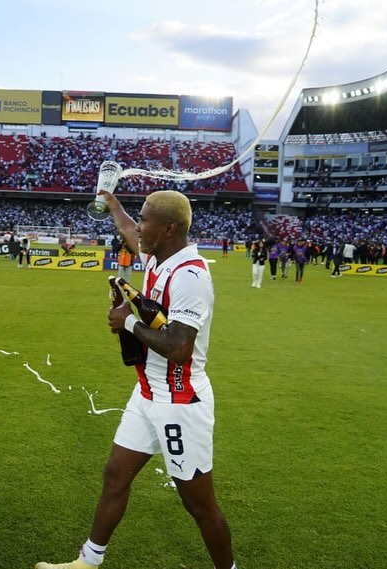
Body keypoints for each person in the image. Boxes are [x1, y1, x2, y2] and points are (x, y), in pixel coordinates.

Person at [36, 190, 237, 569]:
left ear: (169, 228)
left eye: (147, 219)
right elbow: (128, 230)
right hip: (147, 393)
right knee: (115, 476)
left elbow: (179, 347)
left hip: (180, 402)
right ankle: (88, 562)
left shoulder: (190, 275)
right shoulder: (158, 256)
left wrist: (127, 321)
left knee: (199, 504)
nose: (139, 226)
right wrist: (112, 204)